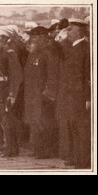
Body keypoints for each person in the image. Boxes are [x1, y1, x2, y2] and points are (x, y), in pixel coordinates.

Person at [57, 18, 91, 168]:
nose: (68, 32)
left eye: (71, 29)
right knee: (73, 127)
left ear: (80, 31)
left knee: (82, 129)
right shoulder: (72, 47)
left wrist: (88, 97)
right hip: (70, 95)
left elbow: (88, 75)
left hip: (80, 96)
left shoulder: (85, 48)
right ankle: (77, 157)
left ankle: (84, 161)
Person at [23, 26, 59, 159]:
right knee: (35, 122)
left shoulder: (49, 53)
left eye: (34, 37)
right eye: (31, 36)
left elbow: (53, 74)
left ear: (42, 37)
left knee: (45, 123)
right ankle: (38, 149)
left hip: (43, 95)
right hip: (32, 95)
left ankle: (46, 151)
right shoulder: (33, 53)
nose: (32, 39)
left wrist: (48, 93)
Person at [0, 27, 24, 157]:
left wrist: (12, 94)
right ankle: (7, 146)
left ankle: (12, 149)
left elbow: (17, 75)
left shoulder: (10, 53)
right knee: (2, 120)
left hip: (5, 90)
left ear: (5, 39)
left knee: (8, 120)